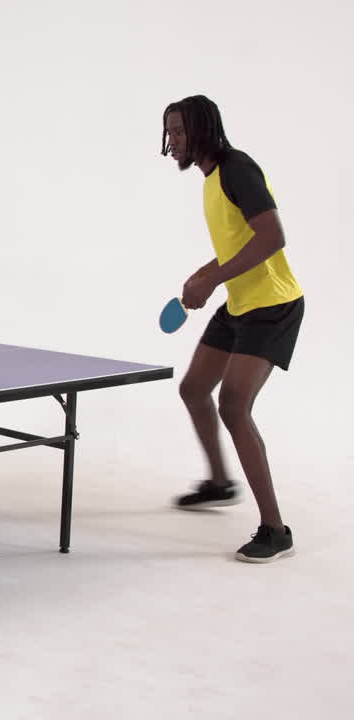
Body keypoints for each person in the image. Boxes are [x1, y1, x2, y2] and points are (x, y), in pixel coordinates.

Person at [161, 94, 304, 563]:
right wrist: (205, 274)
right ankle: (220, 484)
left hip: (273, 306)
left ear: (202, 129)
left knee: (234, 405)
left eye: (178, 131)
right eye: (169, 132)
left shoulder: (237, 168)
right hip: (241, 302)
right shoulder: (210, 179)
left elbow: (273, 236)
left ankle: (275, 530)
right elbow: (238, 242)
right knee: (193, 388)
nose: (172, 140)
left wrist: (213, 279)